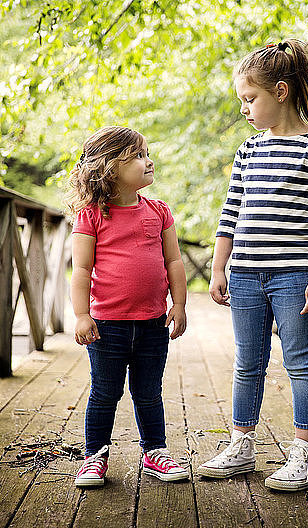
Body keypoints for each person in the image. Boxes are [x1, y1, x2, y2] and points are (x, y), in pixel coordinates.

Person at [197, 40, 308, 491]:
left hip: (295, 277)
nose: (245, 108)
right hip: (245, 275)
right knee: (248, 363)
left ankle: (304, 454)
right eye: (242, 99)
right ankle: (241, 444)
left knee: (300, 362)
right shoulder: (248, 152)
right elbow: (230, 214)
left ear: (280, 92)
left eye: (250, 98)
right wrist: (220, 269)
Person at [66, 126, 189, 487]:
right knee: (105, 392)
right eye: (138, 155)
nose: (149, 161)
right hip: (106, 325)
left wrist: (179, 304)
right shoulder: (91, 216)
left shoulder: (159, 211)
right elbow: (82, 269)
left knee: (149, 391)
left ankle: (155, 452)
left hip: (153, 323)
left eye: (147, 153)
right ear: (110, 167)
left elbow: (174, 262)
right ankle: (95, 456)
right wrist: (81, 314)